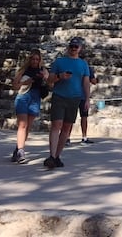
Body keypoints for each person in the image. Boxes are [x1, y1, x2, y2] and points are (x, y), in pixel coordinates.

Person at [44, 38, 91, 169]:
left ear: (80, 48)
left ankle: (57, 156)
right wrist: (60, 76)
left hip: (75, 98)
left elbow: (86, 83)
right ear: (68, 47)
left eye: (76, 46)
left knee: (66, 128)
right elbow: (49, 80)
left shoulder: (83, 64)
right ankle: (52, 156)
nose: (73, 48)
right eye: (72, 46)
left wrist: (87, 99)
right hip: (59, 96)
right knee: (56, 125)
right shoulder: (59, 62)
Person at [11, 49, 49, 163]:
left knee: (27, 126)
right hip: (23, 96)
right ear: (29, 59)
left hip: (35, 97)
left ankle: (18, 148)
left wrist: (44, 77)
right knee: (22, 124)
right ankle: (21, 151)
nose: (34, 61)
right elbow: (15, 85)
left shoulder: (43, 70)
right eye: (33, 59)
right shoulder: (24, 70)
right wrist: (25, 82)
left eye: (37, 59)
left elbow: (49, 81)